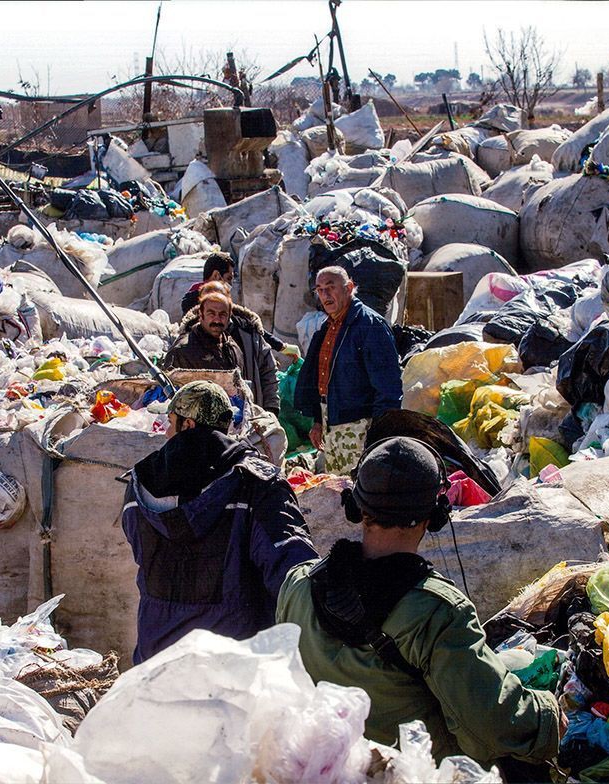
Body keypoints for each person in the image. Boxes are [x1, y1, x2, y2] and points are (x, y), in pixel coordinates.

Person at [276, 436, 563, 768]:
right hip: (410, 771)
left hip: (324, 768)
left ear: (357, 507)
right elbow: (492, 725)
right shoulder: (439, 614)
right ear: (437, 513)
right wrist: (548, 717)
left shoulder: (299, 584)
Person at [121, 380, 317, 663]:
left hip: (155, 665)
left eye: (170, 421)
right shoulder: (257, 484)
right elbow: (292, 574)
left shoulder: (136, 486)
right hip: (232, 669)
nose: (165, 430)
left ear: (187, 425)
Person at [294, 267, 402, 474]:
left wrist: (380, 432)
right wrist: (318, 421)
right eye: (320, 289)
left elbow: (389, 387)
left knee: (360, 488)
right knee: (338, 488)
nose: (325, 295)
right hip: (332, 425)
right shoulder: (329, 327)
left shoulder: (369, 326)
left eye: (330, 287)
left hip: (360, 428)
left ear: (349, 288)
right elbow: (323, 383)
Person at [163, 283, 281, 413]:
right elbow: (171, 396)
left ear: (229, 315)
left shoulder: (235, 345)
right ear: (201, 314)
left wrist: (271, 408)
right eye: (211, 313)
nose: (217, 320)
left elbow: (267, 373)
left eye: (222, 314)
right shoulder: (183, 349)